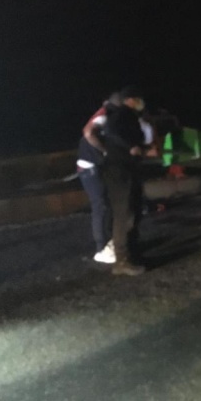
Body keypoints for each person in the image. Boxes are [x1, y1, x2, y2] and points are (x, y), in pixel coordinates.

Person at [102, 86, 147, 276]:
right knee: (124, 214)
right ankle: (122, 260)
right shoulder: (121, 114)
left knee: (134, 211)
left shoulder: (129, 116)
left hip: (128, 169)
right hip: (119, 171)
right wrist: (131, 147)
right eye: (137, 99)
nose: (140, 103)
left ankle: (133, 254)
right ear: (129, 99)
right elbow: (111, 131)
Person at [76, 92, 121, 264]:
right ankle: (101, 249)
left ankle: (108, 245)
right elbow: (88, 133)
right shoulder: (104, 115)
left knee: (105, 205)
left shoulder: (105, 113)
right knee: (100, 205)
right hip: (90, 167)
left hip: (95, 166)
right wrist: (104, 151)